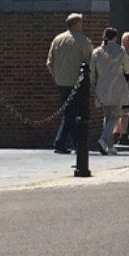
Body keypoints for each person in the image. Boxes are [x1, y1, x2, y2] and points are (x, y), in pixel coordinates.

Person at [45, 13, 91, 155]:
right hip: (77, 82)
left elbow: (49, 63)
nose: (82, 25)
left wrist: (57, 76)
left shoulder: (57, 39)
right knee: (72, 113)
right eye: (81, 23)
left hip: (61, 82)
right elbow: (90, 62)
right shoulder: (83, 41)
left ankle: (71, 142)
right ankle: (64, 142)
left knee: (69, 112)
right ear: (76, 24)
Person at [90, 25, 129, 156]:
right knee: (115, 115)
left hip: (102, 85)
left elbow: (92, 72)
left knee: (107, 115)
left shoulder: (96, 52)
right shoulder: (120, 51)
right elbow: (128, 69)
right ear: (115, 37)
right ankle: (103, 139)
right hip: (117, 84)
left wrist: (93, 83)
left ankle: (110, 146)